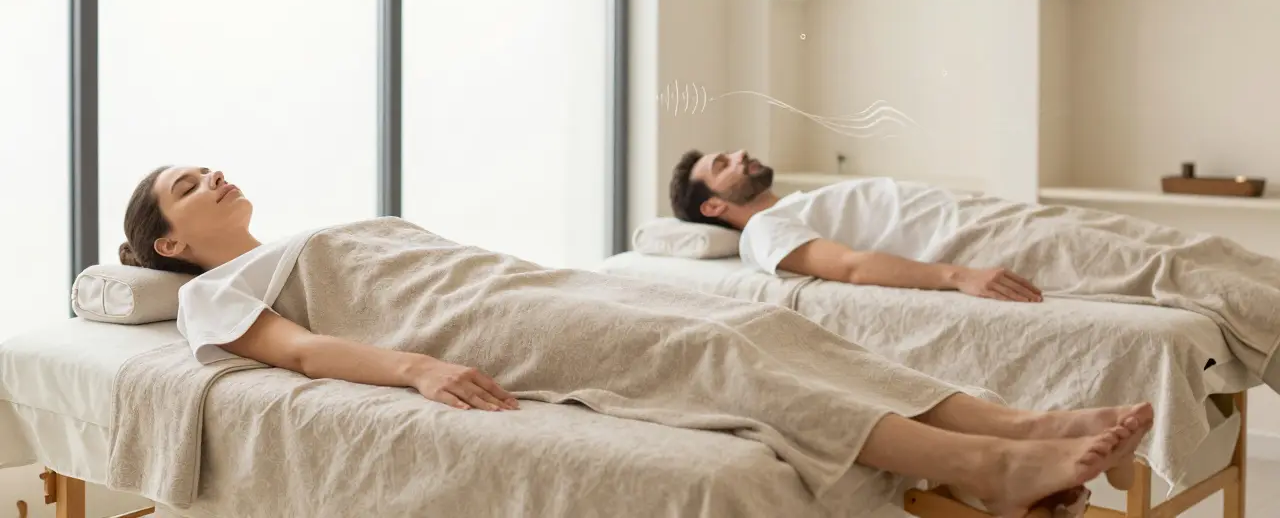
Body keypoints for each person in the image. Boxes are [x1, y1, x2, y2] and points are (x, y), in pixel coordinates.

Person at [119, 164, 1155, 517]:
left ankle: (1011, 421)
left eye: (209, 166)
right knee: (716, 358)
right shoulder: (215, 294)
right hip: (477, 324)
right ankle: (980, 467)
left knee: (749, 316)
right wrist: (417, 367)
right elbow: (300, 354)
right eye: (184, 185)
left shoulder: (305, 232)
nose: (211, 177)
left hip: (515, 282)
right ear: (168, 241)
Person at [668, 148, 1045, 301]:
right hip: (985, 240)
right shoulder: (764, 231)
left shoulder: (791, 209)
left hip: (990, 217)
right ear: (713, 206)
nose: (739, 155)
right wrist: (960, 276)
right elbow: (852, 267)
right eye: (722, 165)